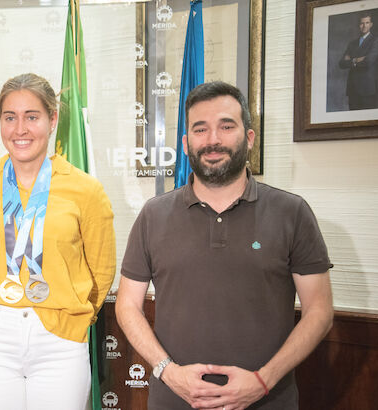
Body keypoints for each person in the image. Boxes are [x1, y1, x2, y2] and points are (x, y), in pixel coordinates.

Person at [116, 81, 334, 410]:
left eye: (226, 126)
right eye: (200, 129)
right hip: (174, 400)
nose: (213, 140)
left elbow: (319, 312)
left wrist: (263, 381)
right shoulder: (153, 215)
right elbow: (127, 306)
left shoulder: (292, 212)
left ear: (249, 137)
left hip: (267, 401)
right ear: (186, 143)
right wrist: (168, 372)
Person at [0, 73, 115, 410]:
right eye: (10, 117)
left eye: (32, 117)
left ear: (52, 120)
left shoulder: (86, 190)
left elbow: (102, 268)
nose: (20, 129)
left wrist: (75, 316)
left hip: (60, 340)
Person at [338, 12, 378, 110]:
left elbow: (368, 61)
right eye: (362, 23)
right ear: (359, 25)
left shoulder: (375, 40)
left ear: (371, 24)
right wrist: (356, 59)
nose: (364, 26)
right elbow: (341, 64)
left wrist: (351, 60)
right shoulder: (352, 43)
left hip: (367, 89)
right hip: (352, 89)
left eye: (367, 23)